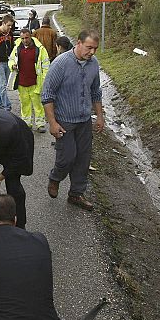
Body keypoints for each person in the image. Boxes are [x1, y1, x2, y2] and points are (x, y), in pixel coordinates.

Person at [41, 30, 104, 211]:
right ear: (78, 43)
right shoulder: (61, 64)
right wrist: (52, 123)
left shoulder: (94, 64)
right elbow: (47, 95)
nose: (92, 52)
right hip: (64, 120)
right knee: (67, 157)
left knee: (83, 159)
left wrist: (99, 116)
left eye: (95, 49)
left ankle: (76, 193)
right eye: (89, 47)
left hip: (84, 120)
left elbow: (96, 92)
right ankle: (55, 177)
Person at [9, 28, 51, 133]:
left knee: (38, 105)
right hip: (22, 82)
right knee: (25, 104)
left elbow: (46, 66)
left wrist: (45, 81)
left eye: (26, 38)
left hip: (35, 82)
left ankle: (40, 124)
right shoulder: (17, 48)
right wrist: (12, 66)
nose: (24, 40)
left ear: (31, 36)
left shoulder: (39, 49)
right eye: (22, 38)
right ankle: (26, 123)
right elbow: (11, 59)